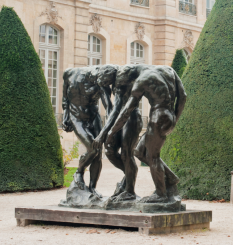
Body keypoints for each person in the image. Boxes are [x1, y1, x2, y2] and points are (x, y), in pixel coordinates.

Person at [93, 64, 186, 203]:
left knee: (152, 157)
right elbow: (183, 96)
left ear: (131, 76)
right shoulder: (167, 70)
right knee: (139, 152)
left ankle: (161, 195)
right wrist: (174, 120)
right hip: (168, 116)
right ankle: (171, 178)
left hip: (158, 117)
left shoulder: (140, 81)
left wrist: (111, 132)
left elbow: (126, 111)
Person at [62, 65, 117, 197]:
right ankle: (79, 173)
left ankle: (92, 188)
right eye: (103, 82)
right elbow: (65, 97)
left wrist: (113, 127)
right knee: (92, 149)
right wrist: (65, 115)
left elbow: (108, 108)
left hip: (93, 117)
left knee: (98, 154)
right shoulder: (70, 73)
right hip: (76, 117)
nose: (104, 85)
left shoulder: (101, 83)